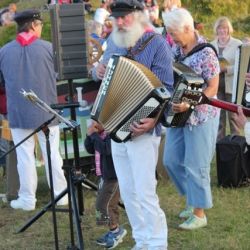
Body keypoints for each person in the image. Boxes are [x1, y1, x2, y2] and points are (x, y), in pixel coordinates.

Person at [92, 1, 173, 249]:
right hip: (116, 125)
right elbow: (100, 75)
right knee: (127, 190)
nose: (119, 22)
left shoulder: (157, 43)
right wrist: (99, 69)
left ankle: (157, 242)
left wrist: (153, 119)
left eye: (124, 17)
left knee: (145, 190)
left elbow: (167, 87)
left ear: (138, 16)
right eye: (116, 18)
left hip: (143, 127)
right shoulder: (114, 41)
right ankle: (142, 239)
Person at [0, 9, 68, 211]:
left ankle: (28, 199)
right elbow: (59, 75)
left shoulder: (3, 52)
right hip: (46, 111)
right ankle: (61, 196)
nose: (41, 29)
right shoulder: (49, 48)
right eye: (39, 25)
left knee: (25, 157)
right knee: (52, 155)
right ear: (33, 26)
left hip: (19, 113)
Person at [163, 8, 220, 230]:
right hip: (180, 113)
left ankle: (199, 213)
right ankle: (192, 198)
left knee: (197, 165)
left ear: (188, 28)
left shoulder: (207, 52)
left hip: (202, 115)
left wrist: (190, 102)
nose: (172, 37)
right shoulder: (176, 49)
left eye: (174, 32)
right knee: (171, 160)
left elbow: (213, 87)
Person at [84, 120, 127, 249]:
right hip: (103, 176)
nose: (93, 124)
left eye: (96, 122)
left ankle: (116, 232)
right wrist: (89, 136)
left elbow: (105, 149)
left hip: (113, 177)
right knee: (110, 205)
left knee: (102, 205)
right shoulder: (99, 135)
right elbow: (90, 149)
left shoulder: (112, 134)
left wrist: (94, 136)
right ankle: (113, 230)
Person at [210, 17, 242, 141]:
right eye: (220, 28)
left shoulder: (237, 44)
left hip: (231, 84)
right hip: (216, 84)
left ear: (229, 29)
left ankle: (237, 144)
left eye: (225, 28)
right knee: (219, 117)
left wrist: (227, 69)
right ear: (216, 29)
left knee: (233, 116)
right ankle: (220, 144)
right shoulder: (211, 44)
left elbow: (241, 65)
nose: (222, 30)